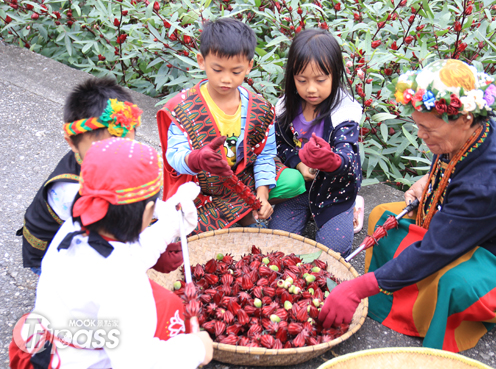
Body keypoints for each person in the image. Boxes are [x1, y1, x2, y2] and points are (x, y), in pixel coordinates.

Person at [318, 59, 496, 352]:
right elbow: (454, 164)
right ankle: (396, 297)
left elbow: (435, 250)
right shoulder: (471, 131)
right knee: (383, 218)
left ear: (465, 118)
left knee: (454, 282)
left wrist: (356, 287)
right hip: (469, 226)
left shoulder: (491, 181)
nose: (420, 135)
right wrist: (429, 178)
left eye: (428, 130)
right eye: (417, 126)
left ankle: (434, 319)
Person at [9, 138, 213, 368]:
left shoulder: (76, 226)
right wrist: (195, 348)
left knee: (165, 303)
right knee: (170, 314)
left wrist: (169, 227)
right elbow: (136, 362)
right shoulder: (122, 282)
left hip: (49, 338)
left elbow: (122, 255)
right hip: (77, 360)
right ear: (148, 211)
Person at [157, 18, 304, 233]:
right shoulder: (183, 108)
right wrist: (197, 159)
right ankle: (242, 213)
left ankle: (244, 209)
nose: (226, 79)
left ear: (249, 66)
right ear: (201, 61)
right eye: (217, 69)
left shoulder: (259, 108)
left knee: (293, 181)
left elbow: (265, 156)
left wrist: (262, 194)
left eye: (236, 72)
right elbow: (175, 159)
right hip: (204, 187)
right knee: (183, 227)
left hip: (243, 176)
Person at [15, 77, 170, 276]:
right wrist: (155, 246)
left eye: (124, 144)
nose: (115, 157)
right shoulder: (71, 190)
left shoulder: (115, 160)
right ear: (73, 144)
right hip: (55, 251)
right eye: (103, 150)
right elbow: (111, 237)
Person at [268, 29, 362, 257]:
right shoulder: (286, 108)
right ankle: (307, 209)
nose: (311, 88)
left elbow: (347, 157)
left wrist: (330, 162)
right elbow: (280, 144)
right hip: (301, 189)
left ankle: (352, 205)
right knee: (277, 247)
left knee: (332, 254)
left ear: (335, 75)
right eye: (302, 80)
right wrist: (298, 162)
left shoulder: (344, 112)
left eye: (320, 80)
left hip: (335, 192)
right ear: (292, 77)